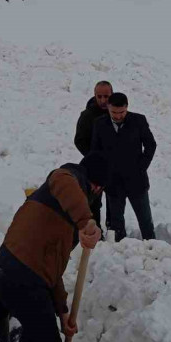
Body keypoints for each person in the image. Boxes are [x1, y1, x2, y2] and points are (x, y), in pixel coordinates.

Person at [0, 153, 107, 342]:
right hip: (22, 279)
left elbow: (53, 272)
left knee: (41, 316)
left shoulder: (63, 216)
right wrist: (87, 221)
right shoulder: (65, 180)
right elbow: (64, 180)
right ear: (96, 188)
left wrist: (62, 312)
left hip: (11, 275)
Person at [90, 93, 157, 242]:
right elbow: (95, 152)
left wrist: (141, 167)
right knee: (116, 223)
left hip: (136, 181)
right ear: (108, 107)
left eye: (122, 112)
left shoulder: (138, 120)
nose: (118, 116)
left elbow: (151, 145)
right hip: (113, 183)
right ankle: (120, 251)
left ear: (127, 107)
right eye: (114, 112)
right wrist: (100, 176)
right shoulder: (99, 124)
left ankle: (153, 249)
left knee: (145, 221)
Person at [74, 81, 113, 233]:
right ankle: (95, 232)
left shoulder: (117, 111)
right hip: (94, 168)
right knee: (94, 203)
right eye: (99, 96)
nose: (103, 100)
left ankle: (114, 230)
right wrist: (94, 158)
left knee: (114, 200)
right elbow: (79, 140)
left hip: (115, 166)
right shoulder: (87, 116)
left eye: (106, 96)